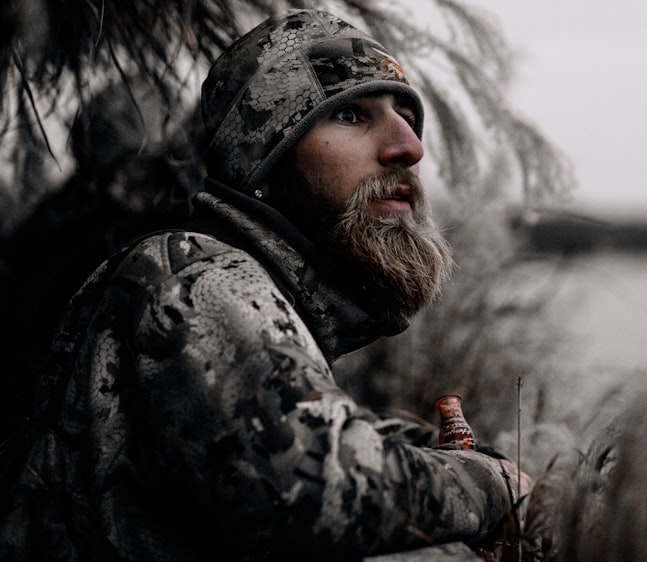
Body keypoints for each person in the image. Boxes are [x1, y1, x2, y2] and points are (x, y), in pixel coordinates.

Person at [0, 9, 529, 561]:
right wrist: (493, 487)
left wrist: (425, 453)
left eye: (406, 116)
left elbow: (288, 440)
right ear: (263, 164)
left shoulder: (271, 295)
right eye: (349, 114)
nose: (410, 147)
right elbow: (313, 489)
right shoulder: (193, 272)